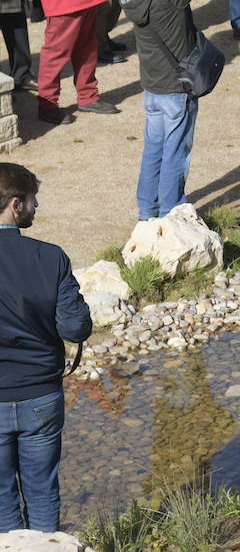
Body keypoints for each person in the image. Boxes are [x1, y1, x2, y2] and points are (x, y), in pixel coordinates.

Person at [0, 162, 92, 533]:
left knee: (1, 499)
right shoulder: (51, 257)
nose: (38, 207)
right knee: (42, 492)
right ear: (16, 204)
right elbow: (76, 328)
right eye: (35, 200)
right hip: (41, 397)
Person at [121, 0, 224, 220]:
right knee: (176, 152)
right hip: (176, 90)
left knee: (154, 150)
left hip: (153, 89)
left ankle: (147, 211)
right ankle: (171, 210)